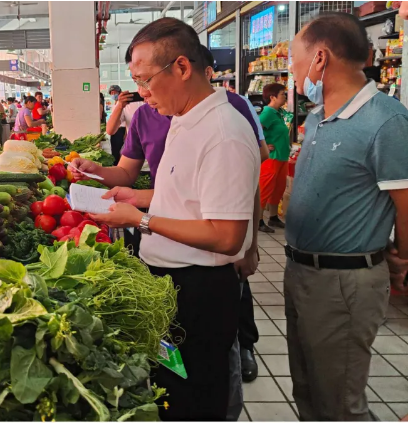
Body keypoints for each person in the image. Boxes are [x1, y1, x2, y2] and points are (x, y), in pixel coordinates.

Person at [85, 18, 260, 421]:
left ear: (182, 67)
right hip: (174, 284)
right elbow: (189, 199)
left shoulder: (224, 132)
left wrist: (142, 220)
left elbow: (226, 236)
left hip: (199, 290)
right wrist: (139, 197)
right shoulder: (185, 119)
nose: (142, 93)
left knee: (196, 395)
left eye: (145, 80)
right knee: (173, 391)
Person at [286, 13, 408, 421]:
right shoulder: (319, 116)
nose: (292, 71)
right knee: (308, 390)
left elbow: (406, 204)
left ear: (319, 59)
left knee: (339, 403)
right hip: (301, 271)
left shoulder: (386, 120)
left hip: (343, 281)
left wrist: (400, 258)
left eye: (294, 61)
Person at [258, 83, 290, 233]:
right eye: (283, 94)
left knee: (278, 189)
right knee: (265, 189)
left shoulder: (278, 113)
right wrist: (263, 145)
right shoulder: (268, 113)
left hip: (282, 157)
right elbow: (255, 130)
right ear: (272, 97)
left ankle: (273, 217)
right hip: (271, 158)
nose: (285, 97)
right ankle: (258, 221)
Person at [105, 90, 145, 163]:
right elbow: (110, 130)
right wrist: (120, 105)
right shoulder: (127, 103)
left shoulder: (163, 101)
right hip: (134, 158)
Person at [107, 85, 127, 163]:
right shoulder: (115, 104)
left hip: (121, 130)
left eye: (114, 92)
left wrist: (126, 132)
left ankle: (120, 165)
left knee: (120, 150)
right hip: (115, 130)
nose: (113, 94)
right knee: (114, 149)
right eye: (111, 93)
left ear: (119, 92)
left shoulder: (123, 104)